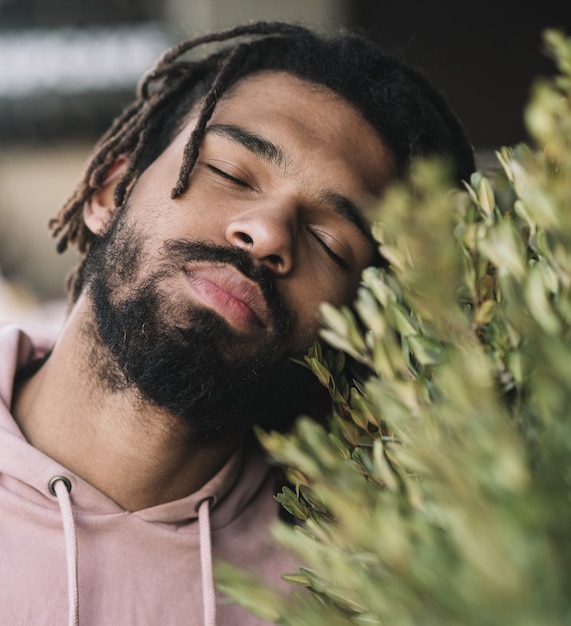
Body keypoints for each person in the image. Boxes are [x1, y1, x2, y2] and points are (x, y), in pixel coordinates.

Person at [0, 20, 475, 626]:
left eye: (332, 242)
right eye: (230, 172)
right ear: (111, 190)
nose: (270, 232)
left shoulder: (348, 587)